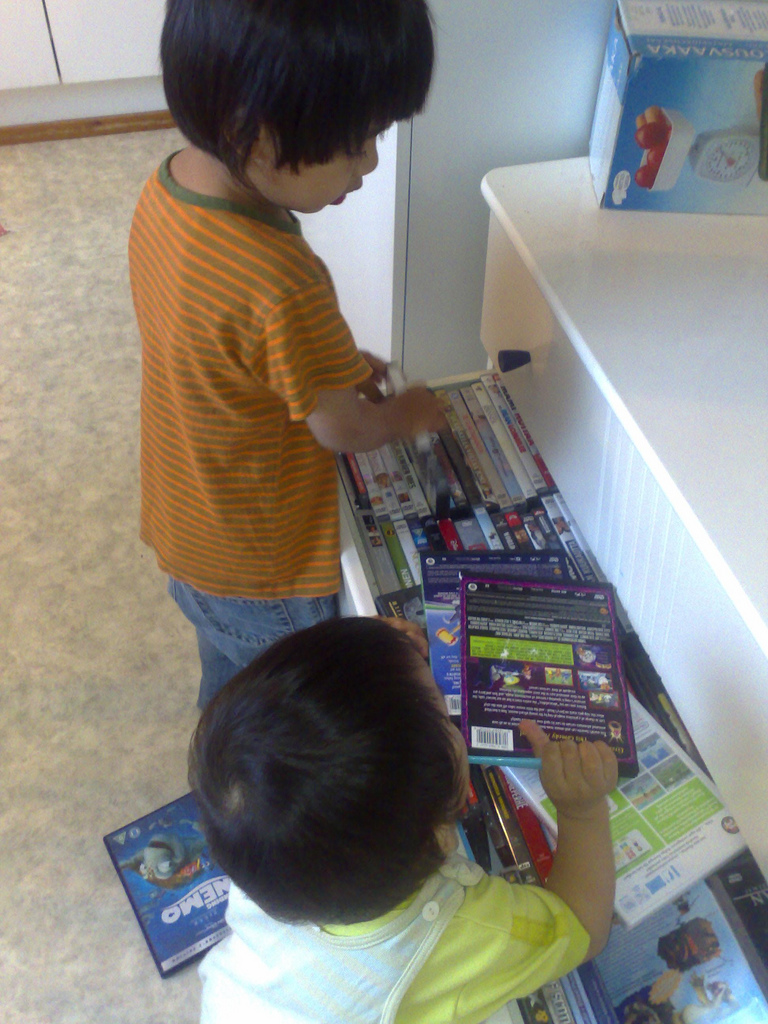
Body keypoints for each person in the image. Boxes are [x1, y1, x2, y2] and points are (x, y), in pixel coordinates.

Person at [128, 0, 445, 707]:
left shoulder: (165, 187)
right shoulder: (282, 278)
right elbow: (342, 428)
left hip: (191, 531)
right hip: (266, 569)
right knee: (291, 706)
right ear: (262, 137)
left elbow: (221, 342)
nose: (370, 164)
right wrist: (407, 414)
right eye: (359, 140)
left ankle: (219, 756)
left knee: (232, 685)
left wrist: (324, 362)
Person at [189, 616, 619, 1024]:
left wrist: (373, 654)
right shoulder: (466, 931)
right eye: (441, 708)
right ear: (442, 835)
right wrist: (582, 811)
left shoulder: (265, 841)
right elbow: (584, 926)